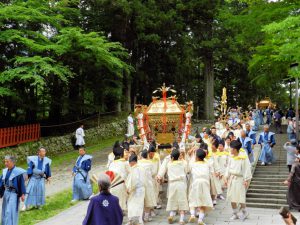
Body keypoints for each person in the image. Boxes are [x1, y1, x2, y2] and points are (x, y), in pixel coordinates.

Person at [157, 149, 189, 225]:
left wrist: (159, 177)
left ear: (171, 157)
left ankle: (171, 215)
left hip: (172, 184)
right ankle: (181, 220)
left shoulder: (169, 164)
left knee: (172, 200)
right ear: (179, 156)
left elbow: (163, 170)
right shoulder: (183, 163)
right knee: (182, 200)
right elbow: (187, 171)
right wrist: (182, 158)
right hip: (181, 184)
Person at [225, 140, 252, 221]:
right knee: (232, 197)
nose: (230, 150)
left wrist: (246, 180)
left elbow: (247, 168)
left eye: (231, 148)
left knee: (240, 197)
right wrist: (226, 177)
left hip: (240, 179)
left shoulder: (243, 157)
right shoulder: (231, 156)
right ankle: (235, 213)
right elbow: (228, 167)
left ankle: (244, 212)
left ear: (235, 149)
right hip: (232, 178)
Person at [188, 149, 213, 225]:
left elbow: (188, 167)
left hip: (196, 182)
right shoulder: (207, 163)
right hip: (205, 183)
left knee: (192, 199)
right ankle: (200, 220)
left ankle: (192, 215)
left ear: (197, 157)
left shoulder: (193, 164)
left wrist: (193, 153)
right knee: (203, 201)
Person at [0, 155, 26, 225]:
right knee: (5, 210)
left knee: (10, 211)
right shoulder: (5, 171)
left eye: (7, 162)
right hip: (6, 193)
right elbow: (1, 183)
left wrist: (22, 194)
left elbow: (21, 183)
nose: (5, 164)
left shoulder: (18, 172)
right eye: (5, 162)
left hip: (14, 194)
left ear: (12, 162)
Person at [126, 154, 146, 225]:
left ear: (132, 162)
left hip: (135, 189)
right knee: (139, 205)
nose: (129, 164)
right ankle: (134, 220)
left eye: (130, 163)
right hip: (141, 188)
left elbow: (134, 180)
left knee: (133, 204)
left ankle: (135, 220)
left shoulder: (134, 169)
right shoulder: (142, 167)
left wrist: (129, 189)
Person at [108, 144, 129, 211]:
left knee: (115, 204)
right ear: (121, 155)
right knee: (121, 203)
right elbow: (130, 174)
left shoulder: (111, 164)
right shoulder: (125, 163)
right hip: (121, 185)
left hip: (112, 186)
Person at [138, 150, 157, 222]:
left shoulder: (138, 163)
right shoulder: (150, 163)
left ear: (141, 156)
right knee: (148, 200)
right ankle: (146, 216)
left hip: (139, 184)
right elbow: (154, 172)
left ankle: (140, 217)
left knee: (141, 200)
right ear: (148, 155)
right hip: (148, 184)